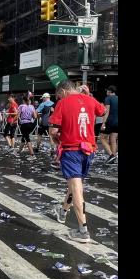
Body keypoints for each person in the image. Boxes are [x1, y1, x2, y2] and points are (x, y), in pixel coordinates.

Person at [48, 80, 105, 243]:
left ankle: (83, 231)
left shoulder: (63, 103)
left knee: (77, 190)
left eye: (59, 95)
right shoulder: (90, 99)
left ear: (64, 91)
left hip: (71, 151)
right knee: (76, 185)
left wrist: (56, 139)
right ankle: (63, 210)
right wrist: (88, 96)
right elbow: (101, 111)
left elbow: (53, 130)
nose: (58, 98)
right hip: (89, 150)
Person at [100, 85, 118, 165]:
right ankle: (113, 158)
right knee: (113, 139)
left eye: (107, 91)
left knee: (102, 138)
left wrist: (103, 123)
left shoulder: (108, 98)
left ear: (109, 91)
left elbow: (106, 112)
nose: (106, 92)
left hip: (110, 122)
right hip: (117, 123)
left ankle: (111, 155)